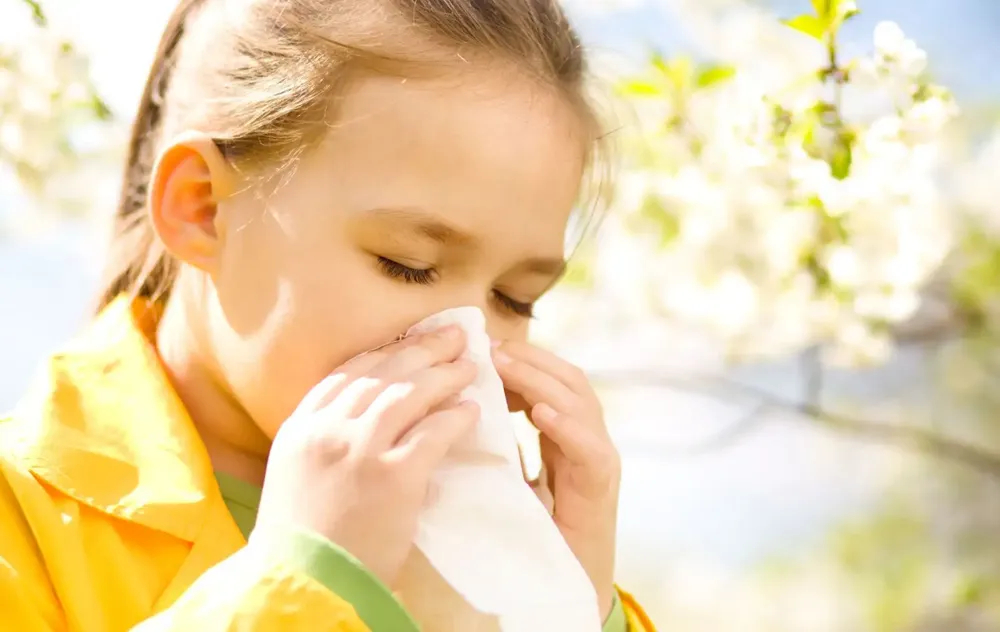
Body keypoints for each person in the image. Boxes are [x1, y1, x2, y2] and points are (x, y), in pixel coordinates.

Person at [0, 0, 657, 630]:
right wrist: (306, 581)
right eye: (408, 264)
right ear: (202, 208)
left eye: (515, 299)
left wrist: (576, 603)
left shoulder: (482, 532)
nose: (468, 342)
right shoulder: (19, 517)